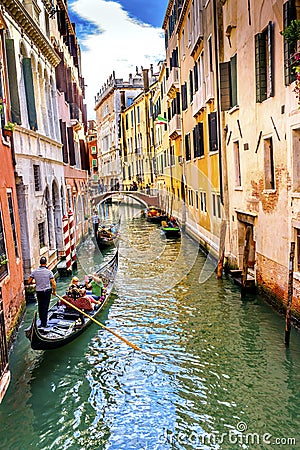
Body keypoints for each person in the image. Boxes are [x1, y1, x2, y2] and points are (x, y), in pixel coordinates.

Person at [27, 256, 56, 328]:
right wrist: (54, 291)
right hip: (47, 291)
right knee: (45, 307)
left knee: (40, 306)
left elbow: (29, 281)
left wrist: (37, 281)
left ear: (40, 263)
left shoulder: (34, 272)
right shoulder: (49, 272)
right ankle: (44, 323)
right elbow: (53, 283)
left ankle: (41, 322)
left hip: (39, 291)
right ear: (46, 263)